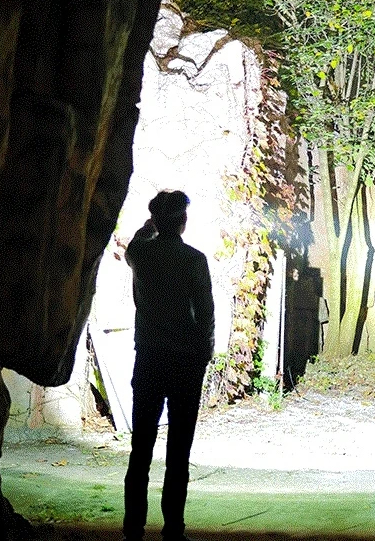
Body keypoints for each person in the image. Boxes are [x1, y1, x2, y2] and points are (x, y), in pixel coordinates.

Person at [122, 190, 214, 541]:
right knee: (178, 450)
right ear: (183, 221)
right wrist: (204, 353)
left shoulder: (140, 255)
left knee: (141, 449)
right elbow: (205, 313)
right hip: (185, 362)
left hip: (148, 358)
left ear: (157, 219)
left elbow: (135, 243)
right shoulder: (194, 260)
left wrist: (149, 227)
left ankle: (134, 528)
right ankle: (173, 528)